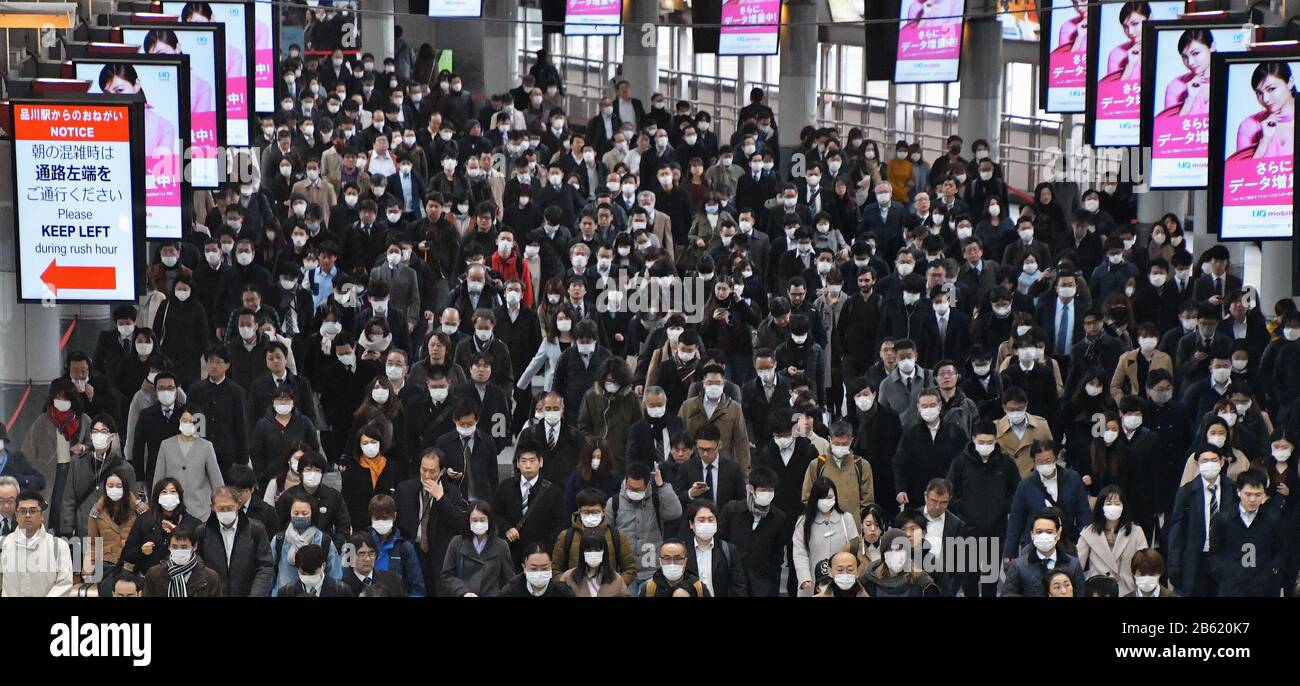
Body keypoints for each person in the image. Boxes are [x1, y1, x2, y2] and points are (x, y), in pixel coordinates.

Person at [394, 447, 468, 594]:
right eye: (424, 470)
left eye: (432, 472)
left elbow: (459, 524)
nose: (427, 475)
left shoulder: (451, 493)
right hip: (412, 550)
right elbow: (397, 522)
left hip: (439, 555)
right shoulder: (404, 489)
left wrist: (441, 498)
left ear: (441, 471)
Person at [1168, 449, 1238, 596]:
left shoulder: (1233, 489)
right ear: (1197, 464)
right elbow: (1176, 530)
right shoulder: (1186, 492)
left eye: (1214, 460)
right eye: (1204, 461)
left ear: (1222, 461)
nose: (1210, 464)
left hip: (1224, 558)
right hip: (1196, 559)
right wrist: (1174, 565)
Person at [607, 461, 682, 595]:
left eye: (638, 489)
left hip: (652, 570)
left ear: (647, 485)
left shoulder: (656, 499)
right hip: (624, 571)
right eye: (630, 487)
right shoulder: (614, 503)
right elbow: (606, 536)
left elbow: (675, 512)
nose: (633, 491)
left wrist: (662, 485)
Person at [1005, 441, 1091, 556]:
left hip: (1067, 544)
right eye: (1040, 462)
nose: (1045, 464)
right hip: (1035, 546)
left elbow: (1083, 513)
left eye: (1048, 461)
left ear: (1055, 458)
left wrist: (1083, 543)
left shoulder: (1072, 478)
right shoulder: (1025, 485)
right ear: (1034, 461)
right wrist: (1009, 552)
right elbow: (1015, 521)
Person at [1209, 469, 1287, 597]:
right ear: (1238, 492)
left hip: (1264, 584)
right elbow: (1215, 551)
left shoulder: (1273, 518)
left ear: (1264, 494)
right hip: (1231, 585)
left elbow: (1281, 548)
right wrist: (1223, 570)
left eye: (1257, 495)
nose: (1252, 499)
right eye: (1248, 494)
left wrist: (1273, 570)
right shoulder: (1224, 519)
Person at [61, 415, 136, 538]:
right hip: (84, 530)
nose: (99, 435)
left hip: (113, 533)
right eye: (95, 431)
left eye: (104, 431)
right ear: (90, 435)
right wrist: (67, 530)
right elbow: (69, 499)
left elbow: (131, 504)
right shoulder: (77, 463)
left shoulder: (125, 468)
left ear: (112, 436)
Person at [494, 441, 568, 565]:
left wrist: (545, 549)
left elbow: (559, 525)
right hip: (510, 551)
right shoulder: (505, 487)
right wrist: (506, 528)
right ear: (517, 463)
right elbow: (496, 514)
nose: (528, 465)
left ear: (541, 462)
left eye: (532, 460)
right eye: (523, 461)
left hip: (540, 554)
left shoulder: (553, 491)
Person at [551, 487, 638, 586]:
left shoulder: (617, 535)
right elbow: (555, 570)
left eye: (595, 512)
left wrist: (614, 587)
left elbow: (630, 568)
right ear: (579, 512)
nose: (590, 516)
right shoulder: (566, 536)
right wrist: (569, 588)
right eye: (586, 512)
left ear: (603, 512)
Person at [152, 406, 224, 522]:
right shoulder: (166, 445)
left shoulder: (206, 446)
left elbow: (216, 480)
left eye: (192, 421)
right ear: (179, 420)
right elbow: (158, 479)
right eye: (184, 420)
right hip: (171, 509)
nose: (188, 424)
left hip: (200, 511)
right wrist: (154, 507)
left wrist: (221, 505)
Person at [200, 486, 275, 597]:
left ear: (238, 505)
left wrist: (256, 594)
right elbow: (199, 566)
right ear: (212, 507)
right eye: (221, 509)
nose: (225, 512)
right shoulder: (202, 532)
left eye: (229, 508)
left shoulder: (255, 529)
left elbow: (265, 565)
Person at [791, 477, 860, 597]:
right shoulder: (803, 522)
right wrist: (804, 577)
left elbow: (855, 550)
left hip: (841, 580)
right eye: (822, 497)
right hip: (813, 581)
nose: (827, 501)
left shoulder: (846, 519)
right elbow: (799, 552)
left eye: (830, 497)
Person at [1075, 485, 1149, 596]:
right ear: (1101, 507)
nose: (1113, 507)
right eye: (1108, 504)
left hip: (1127, 591)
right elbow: (1078, 565)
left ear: (1123, 506)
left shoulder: (1136, 532)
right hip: (1097, 591)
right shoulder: (1089, 532)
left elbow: (1144, 565)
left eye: (1117, 503)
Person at [120, 478, 202, 576]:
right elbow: (127, 554)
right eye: (164, 492)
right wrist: (141, 551)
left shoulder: (192, 523)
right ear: (157, 496)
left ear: (179, 496)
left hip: (184, 577)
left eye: (173, 492)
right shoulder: (144, 520)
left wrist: (176, 531)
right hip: (151, 579)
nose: (169, 495)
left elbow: (200, 556)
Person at [0, 491, 73, 597]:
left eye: (33, 511)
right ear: (16, 515)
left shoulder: (58, 546)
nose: (28, 515)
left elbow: (64, 583)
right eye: (23, 511)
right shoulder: (5, 543)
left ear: (42, 515)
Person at [999, 508, 1085, 597]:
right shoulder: (1019, 566)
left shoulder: (1073, 565)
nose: (1044, 536)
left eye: (1049, 532)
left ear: (1058, 534)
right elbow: (1007, 595)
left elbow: (1080, 593)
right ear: (1032, 535)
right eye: (1039, 532)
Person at [271, 493, 343, 593]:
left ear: (312, 514)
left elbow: (335, 574)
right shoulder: (280, 539)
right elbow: (269, 571)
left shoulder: (324, 540)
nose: (300, 516)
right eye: (295, 513)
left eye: (304, 513)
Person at [440, 501, 513, 597]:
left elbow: (509, 580)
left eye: (482, 520)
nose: (479, 523)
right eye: (474, 520)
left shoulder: (501, 546)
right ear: (468, 521)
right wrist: (463, 592)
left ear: (489, 521)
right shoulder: (457, 543)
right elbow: (446, 576)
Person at [860, 527, 942, 597]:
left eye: (899, 549)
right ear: (883, 555)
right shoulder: (870, 577)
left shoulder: (921, 581)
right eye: (890, 550)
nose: (895, 555)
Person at [143, 525, 222, 597]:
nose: (179, 550)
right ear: (168, 547)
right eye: (174, 547)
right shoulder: (154, 574)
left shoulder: (210, 577)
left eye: (184, 547)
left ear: (194, 546)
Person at [559, 528, 629, 597]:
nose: (593, 553)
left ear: (604, 552)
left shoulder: (616, 580)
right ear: (582, 553)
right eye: (588, 550)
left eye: (597, 550)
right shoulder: (568, 578)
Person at [272, 543, 354, 597]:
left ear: (323, 566)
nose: (308, 577)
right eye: (303, 573)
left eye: (312, 573)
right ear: (297, 569)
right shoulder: (286, 592)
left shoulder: (341, 590)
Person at [342, 533, 407, 596]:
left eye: (371, 554)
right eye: (361, 554)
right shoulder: (342, 587)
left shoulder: (393, 581)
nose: (367, 559)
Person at [638, 539, 710, 597]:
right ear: (660, 560)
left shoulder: (698, 588)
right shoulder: (649, 589)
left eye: (678, 558)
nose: (672, 563)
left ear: (685, 561)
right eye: (666, 558)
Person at [563, 440, 619, 514]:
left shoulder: (613, 478)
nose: (595, 460)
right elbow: (569, 504)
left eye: (599, 457)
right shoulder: (576, 478)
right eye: (592, 457)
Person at [501, 543, 575, 597]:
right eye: (533, 568)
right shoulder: (510, 591)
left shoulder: (563, 592)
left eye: (544, 568)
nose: (539, 572)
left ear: (551, 566)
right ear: (524, 567)